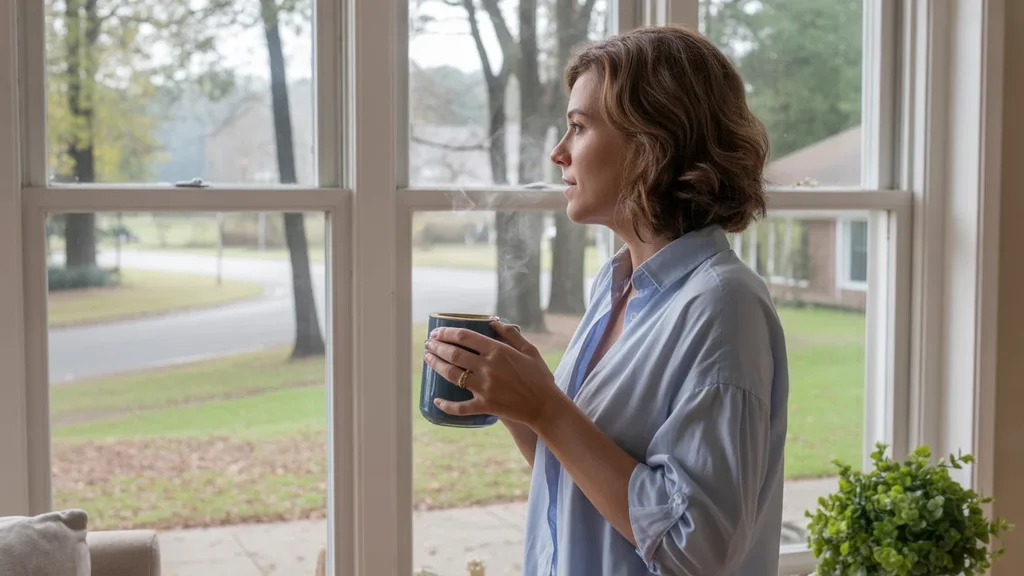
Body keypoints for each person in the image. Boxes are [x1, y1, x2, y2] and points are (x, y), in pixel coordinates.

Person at [423, 25, 789, 576]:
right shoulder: (617, 285)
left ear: (652, 142)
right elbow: (583, 486)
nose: (557, 153)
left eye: (578, 127)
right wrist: (521, 402)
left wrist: (547, 406)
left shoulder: (722, 308)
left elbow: (698, 549)